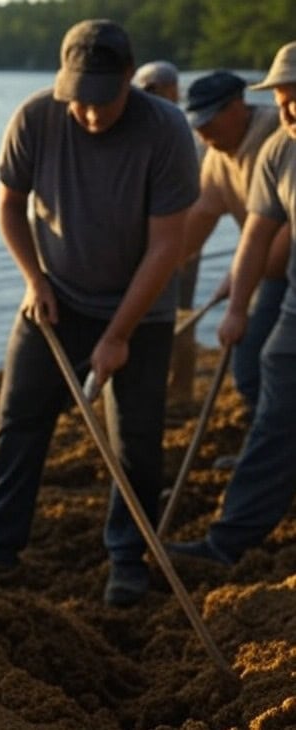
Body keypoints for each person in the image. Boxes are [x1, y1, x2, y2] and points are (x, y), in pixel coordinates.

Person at [0, 19, 199, 607]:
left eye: (103, 100)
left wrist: (119, 334)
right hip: (54, 300)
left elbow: (168, 245)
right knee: (19, 421)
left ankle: (127, 556)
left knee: (137, 439)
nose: (90, 114)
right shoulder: (36, 117)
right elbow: (10, 206)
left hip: (141, 311)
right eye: (79, 98)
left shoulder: (166, 129)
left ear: (130, 77)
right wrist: (34, 278)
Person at [169, 41, 296, 566]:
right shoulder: (277, 150)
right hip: (288, 297)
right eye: (285, 100)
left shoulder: (266, 134)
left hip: (282, 283)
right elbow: (253, 235)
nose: (289, 111)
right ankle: (228, 542)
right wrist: (237, 306)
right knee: (269, 377)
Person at [180, 70, 289, 417]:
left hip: (282, 267)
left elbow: (282, 236)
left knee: (258, 359)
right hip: (262, 265)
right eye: (197, 124)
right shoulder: (215, 154)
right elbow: (198, 219)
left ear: (238, 106)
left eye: (210, 121)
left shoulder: (279, 133)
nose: (203, 133)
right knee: (249, 364)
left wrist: (240, 289)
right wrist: (160, 267)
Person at [133, 59, 200, 403]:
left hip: (183, 241)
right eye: (147, 89)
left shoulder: (186, 131)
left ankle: (182, 388)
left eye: (160, 89)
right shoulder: (141, 129)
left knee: (179, 315)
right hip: (143, 246)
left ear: (175, 91)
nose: (154, 95)